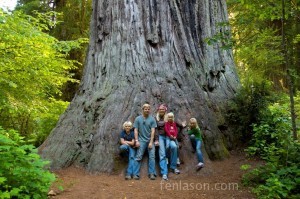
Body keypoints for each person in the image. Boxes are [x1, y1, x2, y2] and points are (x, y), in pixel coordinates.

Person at [133, 103, 157, 180]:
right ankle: (135, 174)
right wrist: (136, 140)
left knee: (152, 157)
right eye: (145, 109)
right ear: (143, 110)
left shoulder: (152, 119)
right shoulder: (138, 119)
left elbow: (153, 131)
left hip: (149, 141)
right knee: (138, 156)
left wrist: (151, 142)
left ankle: (152, 173)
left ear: (149, 110)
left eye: (148, 109)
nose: (147, 110)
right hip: (141, 140)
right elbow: (136, 130)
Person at [155, 104, 168, 180]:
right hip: (160, 136)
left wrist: (182, 125)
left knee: (173, 147)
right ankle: (164, 173)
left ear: (165, 110)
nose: (161, 110)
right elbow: (155, 130)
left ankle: (174, 166)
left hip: (168, 136)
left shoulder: (168, 117)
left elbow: (174, 123)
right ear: (158, 110)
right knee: (162, 154)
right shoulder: (156, 118)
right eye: (160, 109)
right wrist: (156, 139)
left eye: (163, 109)